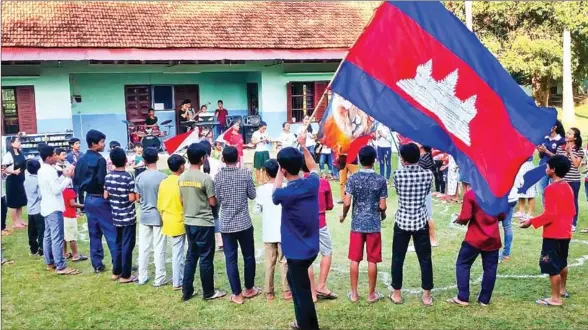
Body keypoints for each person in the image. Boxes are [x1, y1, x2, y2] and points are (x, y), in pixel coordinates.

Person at [273, 133, 320, 330]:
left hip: (295, 252)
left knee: (302, 294)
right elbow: (314, 167)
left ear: (283, 170)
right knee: (295, 283)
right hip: (310, 248)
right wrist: (304, 146)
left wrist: (279, 170)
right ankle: (302, 322)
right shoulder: (312, 183)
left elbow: (274, 192)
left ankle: (307, 325)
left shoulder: (284, 193)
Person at [520, 155, 575, 306]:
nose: (545, 168)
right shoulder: (568, 187)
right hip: (565, 233)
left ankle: (555, 298)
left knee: (551, 265)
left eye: (547, 166)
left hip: (554, 234)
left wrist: (531, 221)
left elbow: (550, 214)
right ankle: (562, 290)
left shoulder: (550, 189)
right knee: (562, 262)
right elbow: (572, 210)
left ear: (553, 170)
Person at [179, 143, 226, 301]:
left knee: (191, 257)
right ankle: (208, 292)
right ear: (202, 158)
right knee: (206, 258)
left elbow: (181, 199)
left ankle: (186, 291)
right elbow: (212, 202)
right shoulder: (205, 178)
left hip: (189, 221)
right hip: (204, 223)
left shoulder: (182, 177)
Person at [340, 145, 387, 303]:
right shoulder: (380, 179)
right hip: (373, 224)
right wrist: (383, 214)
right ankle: (371, 294)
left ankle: (354, 293)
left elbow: (347, 202)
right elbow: (382, 206)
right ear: (374, 160)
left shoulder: (353, 178)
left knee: (355, 259)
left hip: (357, 224)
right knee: (372, 260)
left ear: (359, 159)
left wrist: (344, 215)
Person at [390, 143, 434, 306]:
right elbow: (427, 190)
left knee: (398, 258)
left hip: (402, 221)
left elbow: (400, 192)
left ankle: (397, 294)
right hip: (421, 221)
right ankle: (427, 295)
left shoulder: (398, 175)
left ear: (403, 159)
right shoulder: (428, 175)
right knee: (425, 259)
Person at [448, 181, 503, 306]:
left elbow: (465, 217)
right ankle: (484, 299)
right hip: (493, 238)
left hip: (474, 238)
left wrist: (459, 219)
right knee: (490, 268)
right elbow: (502, 215)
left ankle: (462, 297)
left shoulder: (471, 194)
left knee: (463, 264)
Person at [215, 146, 258, 304]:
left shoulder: (218, 177)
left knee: (231, 259)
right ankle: (249, 288)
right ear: (238, 158)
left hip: (226, 224)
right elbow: (253, 195)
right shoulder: (245, 174)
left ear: (223, 159)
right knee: (248, 256)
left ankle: (237, 294)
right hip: (244, 223)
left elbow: (217, 200)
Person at [74, 129, 118, 274]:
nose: (104, 145)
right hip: (100, 199)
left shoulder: (80, 159)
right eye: (101, 142)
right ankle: (118, 264)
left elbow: (78, 180)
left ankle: (97, 264)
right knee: (111, 232)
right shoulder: (99, 160)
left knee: (94, 233)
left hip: (88, 199)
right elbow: (101, 181)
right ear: (94, 144)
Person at [37, 144, 80, 275]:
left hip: (47, 206)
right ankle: (61, 266)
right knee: (57, 237)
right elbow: (56, 189)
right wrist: (68, 179)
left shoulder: (42, 169)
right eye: (54, 155)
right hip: (54, 207)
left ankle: (50, 262)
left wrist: (64, 176)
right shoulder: (49, 170)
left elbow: (53, 185)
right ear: (49, 157)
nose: (56, 157)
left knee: (48, 236)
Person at [254, 159, 292, 301]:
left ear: (265, 173)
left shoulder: (261, 190)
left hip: (269, 231)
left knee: (270, 262)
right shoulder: (285, 187)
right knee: (284, 261)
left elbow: (257, 210)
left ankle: (269, 292)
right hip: (283, 230)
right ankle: (287, 290)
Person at [135, 147, 169, 287]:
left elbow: (137, 198)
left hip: (144, 215)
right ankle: (159, 277)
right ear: (157, 159)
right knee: (159, 246)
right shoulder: (163, 177)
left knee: (144, 247)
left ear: (144, 160)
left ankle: (142, 276)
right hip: (159, 216)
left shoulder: (139, 177)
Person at [104, 148, 137, 283]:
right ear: (126, 161)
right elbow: (130, 198)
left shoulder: (108, 176)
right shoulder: (128, 177)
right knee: (127, 245)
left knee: (117, 243)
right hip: (128, 217)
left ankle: (116, 271)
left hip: (115, 215)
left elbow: (105, 195)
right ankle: (125, 275)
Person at [158, 155, 187, 291]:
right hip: (178, 219)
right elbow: (183, 201)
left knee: (177, 251)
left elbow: (160, 202)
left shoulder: (164, 181)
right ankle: (177, 281)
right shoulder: (180, 182)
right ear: (181, 166)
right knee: (178, 253)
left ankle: (178, 278)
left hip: (167, 218)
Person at [555, 127, 583, 232]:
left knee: (573, 201)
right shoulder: (559, 148)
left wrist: (570, 151)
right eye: (567, 133)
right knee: (561, 202)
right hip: (562, 179)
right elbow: (559, 163)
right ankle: (562, 221)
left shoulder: (579, 150)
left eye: (570, 134)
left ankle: (573, 223)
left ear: (575, 138)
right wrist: (566, 152)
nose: (567, 135)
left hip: (574, 180)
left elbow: (576, 165)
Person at [200, 140, 224, 250]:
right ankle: (220, 241)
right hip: (216, 193)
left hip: (201, 194)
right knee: (215, 216)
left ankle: (206, 240)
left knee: (204, 218)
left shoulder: (197, 165)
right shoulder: (216, 162)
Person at [2, 136, 27, 229]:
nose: (19, 142)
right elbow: (3, 169)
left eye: (19, 141)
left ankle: (20, 220)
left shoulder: (21, 153)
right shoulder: (8, 155)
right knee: (13, 202)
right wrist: (13, 172)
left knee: (20, 201)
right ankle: (15, 222)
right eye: (17, 141)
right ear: (12, 143)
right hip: (12, 180)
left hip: (21, 179)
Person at [536, 120, 565, 198]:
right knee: (543, 191)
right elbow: (542, 156)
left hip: (555, 169)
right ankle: (547, 209)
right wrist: (540, 151)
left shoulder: (561, 140)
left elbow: (559, 158)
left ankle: (556, 209)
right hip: (543, 167)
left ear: (554, 127)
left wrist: (546, 151)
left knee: (555, 192)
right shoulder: (544, 138)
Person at [418, 145, 438, 247]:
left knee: (428, 215)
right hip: (426, 190)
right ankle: (429, 239)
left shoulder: (423, 158)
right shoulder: (426, 156)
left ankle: (433, 239)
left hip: (424, 190)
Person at [23, 159, 44, 257]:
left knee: (31, 231)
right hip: (38, 209)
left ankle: (33, 249)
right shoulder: (38, 180)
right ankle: (41, 249)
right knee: (41, 230)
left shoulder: (26, 180)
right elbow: (40, 195)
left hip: (30, 209)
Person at [62, 185, 87, 262]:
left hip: (62, 215)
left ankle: (64, 254)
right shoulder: (69, 191)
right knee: (72, 237)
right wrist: (85, 205)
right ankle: (75, 255)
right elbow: (72, 203)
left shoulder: (60, 189)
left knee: (64, 237)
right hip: (69, 217)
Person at [514, 156, 537, 220]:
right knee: (520, 189)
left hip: (527, 164)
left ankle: (530, 214)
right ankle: (521, 211)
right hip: (519, 164)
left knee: (530, 191)